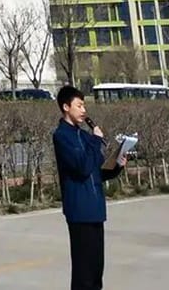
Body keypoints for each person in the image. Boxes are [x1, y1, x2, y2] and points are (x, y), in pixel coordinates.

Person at [53, 85, 126, 290]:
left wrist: (117, 165)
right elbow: (82, 167)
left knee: (95, 273)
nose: (83, 110)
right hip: (79, 211)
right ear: (66, 107)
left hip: (96, 210)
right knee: (83, 275)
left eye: (84, 106)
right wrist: (95, 140)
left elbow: (98, 172)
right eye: (79, 105)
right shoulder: (62, 136)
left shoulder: (85, 136)